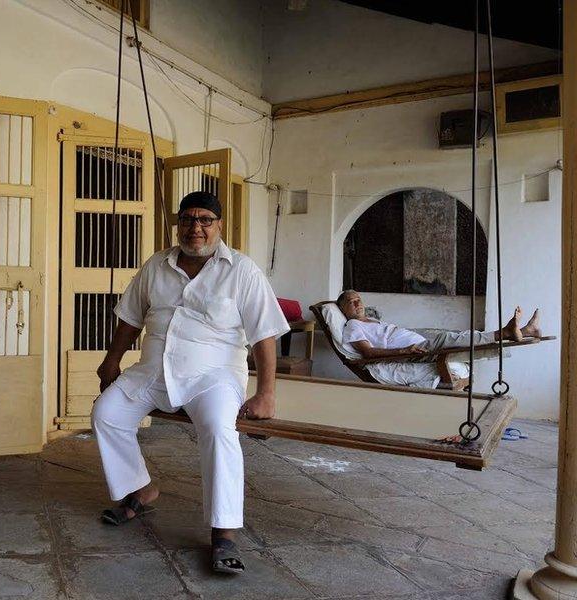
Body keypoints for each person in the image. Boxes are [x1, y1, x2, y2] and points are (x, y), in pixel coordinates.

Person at [91, 191, 289, 575]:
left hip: (211, 376)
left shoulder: (243, 271)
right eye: (187, 220)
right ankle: (141, 490)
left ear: (219, 225)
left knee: (218, 428)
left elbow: (265, 335)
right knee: (107, 414)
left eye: (204, 220)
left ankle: (224, 532)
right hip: (153, 371)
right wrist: (111, 360)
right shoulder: (156, 265)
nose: (195, 228)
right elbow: (130, 317)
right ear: (178, 223)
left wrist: (265, 393)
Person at [336, 289, 540, 388]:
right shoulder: (352, 326)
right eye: (351, 302)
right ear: (343, 309)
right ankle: (505, 333)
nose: (357, 304)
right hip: (413, 351)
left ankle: (527, 330)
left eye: (358, 300)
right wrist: (403, 351)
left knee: (457, 337)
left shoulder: (371, 320)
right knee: (451, 339)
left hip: (418, 340)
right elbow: (368, 353)